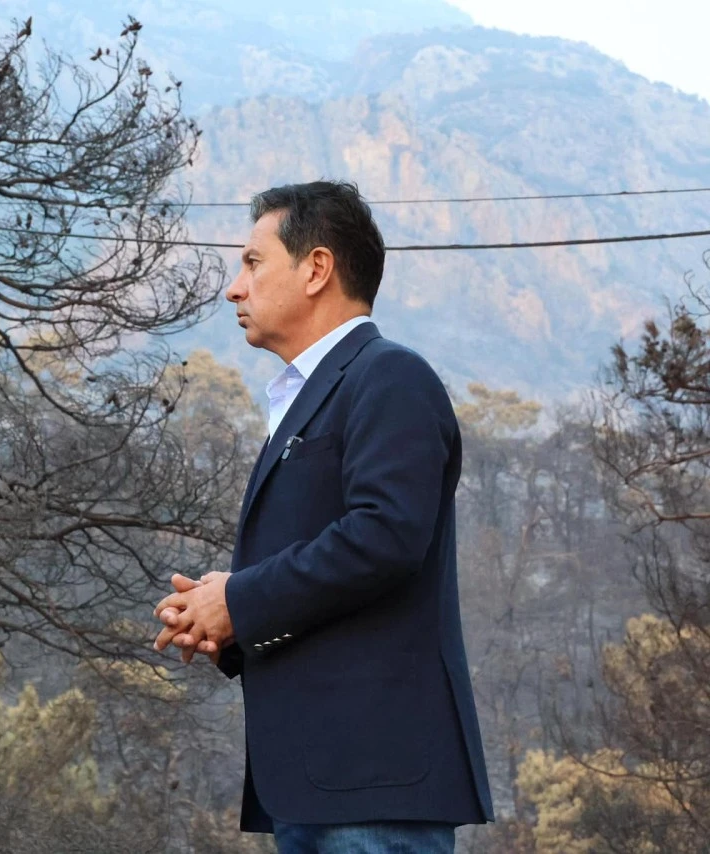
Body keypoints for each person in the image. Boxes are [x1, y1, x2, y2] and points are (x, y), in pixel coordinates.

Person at [152, 181, 493, 852]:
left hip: (373, 784)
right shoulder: (312, 395)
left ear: (316, 269)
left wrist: (240, 600)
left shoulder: (389, 376)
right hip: (319, 782)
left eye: (253, 263)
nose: (234, 289)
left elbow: (384, 537)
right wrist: (224, 620)